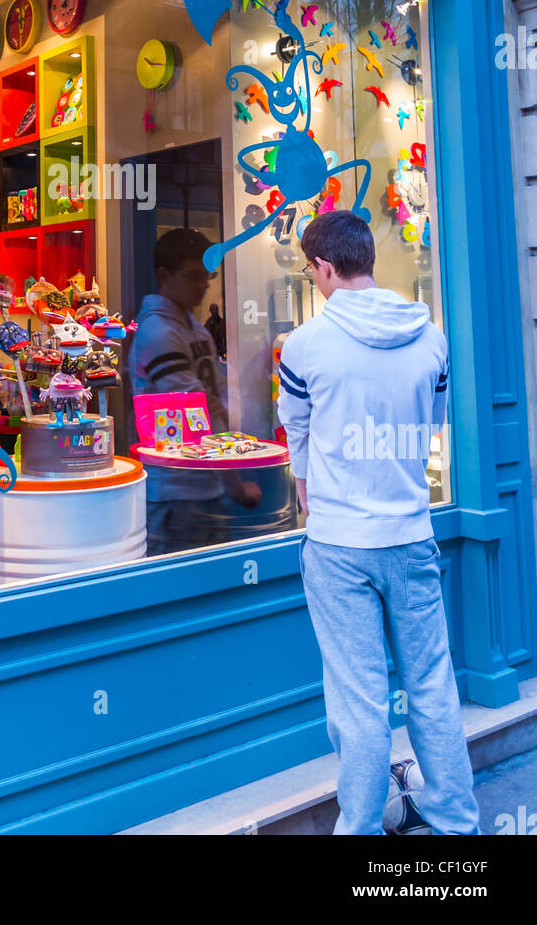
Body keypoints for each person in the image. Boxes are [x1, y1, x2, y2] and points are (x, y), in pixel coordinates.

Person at [277, 210, 478, 836]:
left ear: (326, 268)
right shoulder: (432, 337)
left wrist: (315, 506)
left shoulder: (306, 345)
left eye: (313, 271)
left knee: (358, 699)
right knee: (433, 685)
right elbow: (432, 426)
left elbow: (299, 440)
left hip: (339, 544)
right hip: (411, 534)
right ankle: (453, 819)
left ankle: (359, 829)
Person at [131, 228, 260, 555]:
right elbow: (199, 413)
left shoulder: (192, 327)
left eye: (207, 276)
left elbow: (210, 408)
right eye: (192, 276)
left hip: (204, 484)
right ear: (165, 275)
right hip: (177, 492)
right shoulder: (159, 332)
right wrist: (236, 486)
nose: (203, 286)